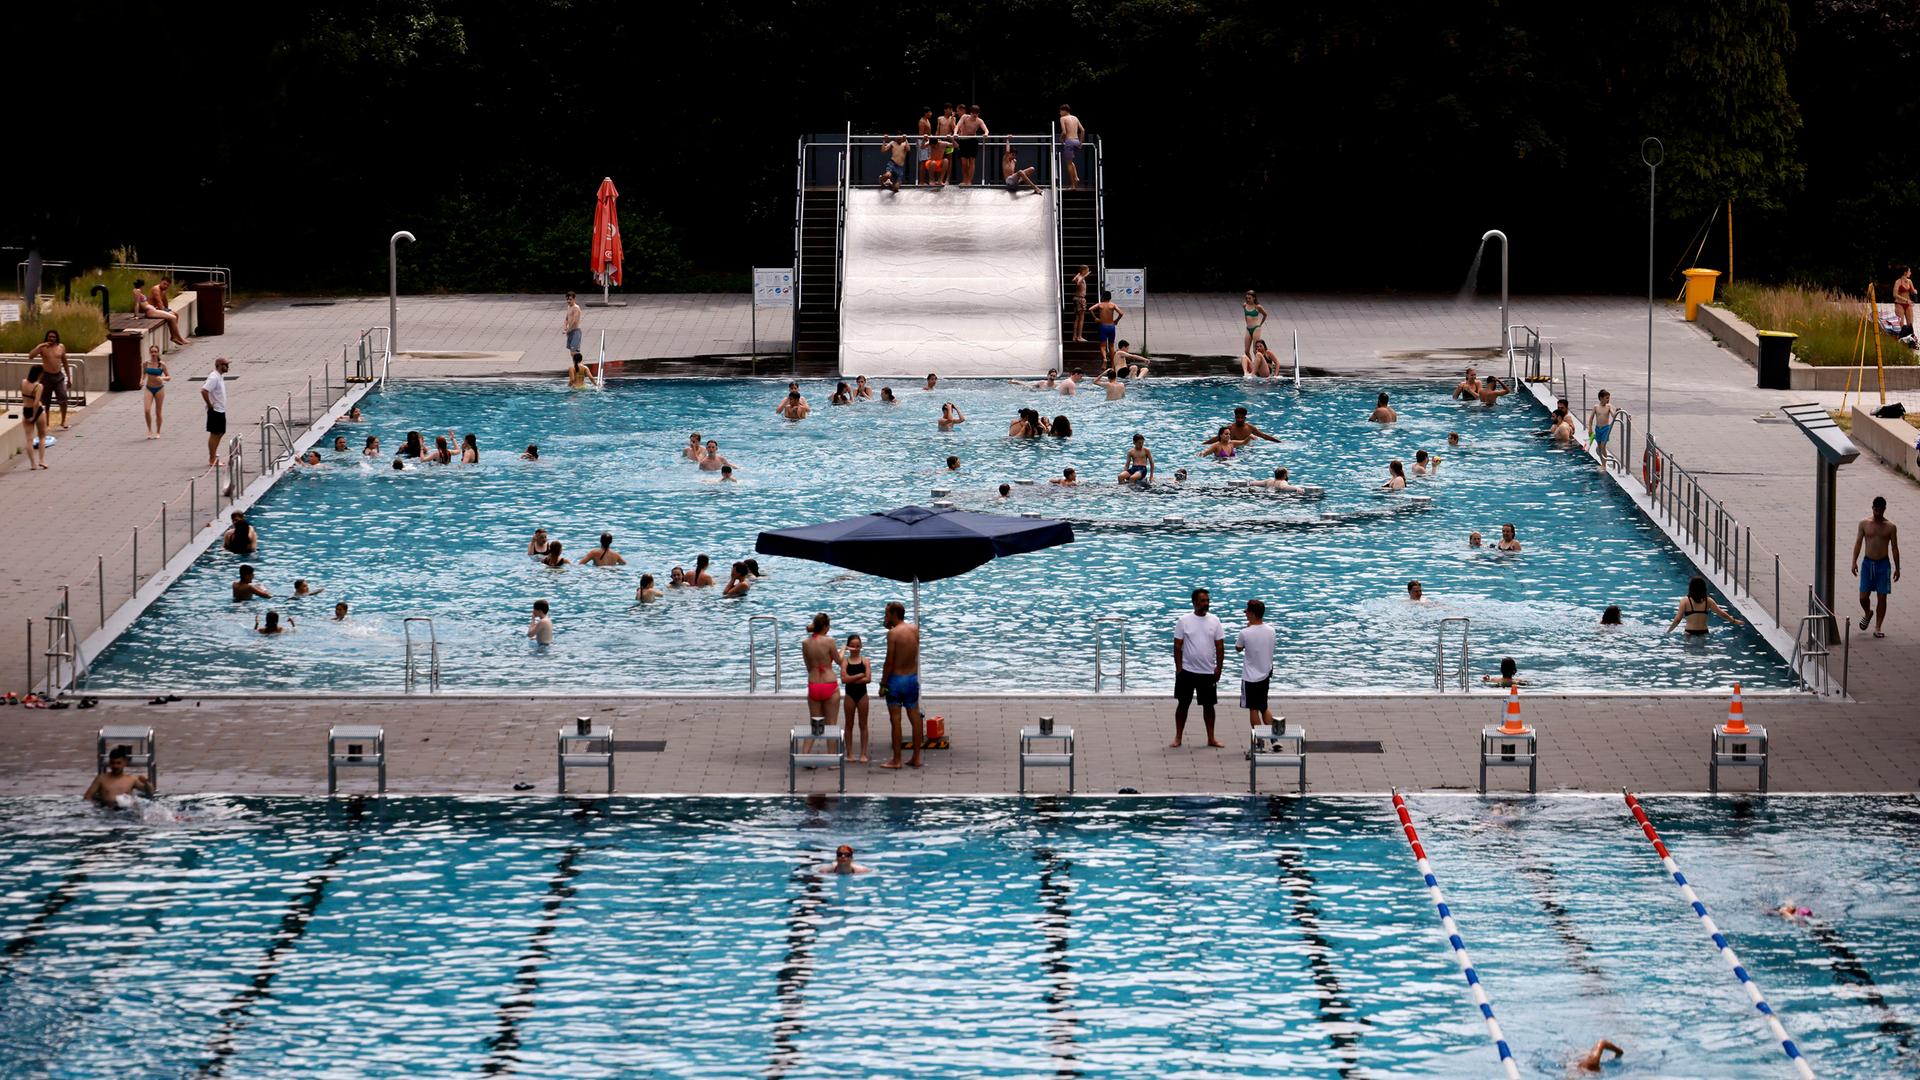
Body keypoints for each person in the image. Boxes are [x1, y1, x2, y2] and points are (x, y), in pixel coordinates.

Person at [1172, 588, 1226, 749]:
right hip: (1187, 671)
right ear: (1194, 602)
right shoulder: (1184, 620)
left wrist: (1219, 668)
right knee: (1183, 704)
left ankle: (1211, 737)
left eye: (1207, 600)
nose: (1206, 603)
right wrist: (1179, 668)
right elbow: (1177, 645)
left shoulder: (1215, 620)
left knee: (1209, 706)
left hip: (1207, 671)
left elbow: (1220, 646)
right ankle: (1178, 736)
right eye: (1203, 601)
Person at [880, 600, 924, 769]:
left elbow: (889, 661)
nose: (885, 616)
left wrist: (883, 683)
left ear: (893, 614)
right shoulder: (914, 629)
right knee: (915, 718)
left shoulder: (893, 634)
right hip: (912, 679)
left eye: (886, 613)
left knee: (896, 720)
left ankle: (897, 760)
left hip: (896, 680)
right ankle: (916, 757)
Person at [1852, 495, 1901, 637]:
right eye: (1875, 510)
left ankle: (1878, 627)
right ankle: (1868, 613)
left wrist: (1898, 568)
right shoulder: (1864, 523)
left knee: (1882, 597)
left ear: (1884, 510)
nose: (1878, 513)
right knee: (1863, 597)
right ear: (1872, 508)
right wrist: (1854, 561)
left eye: (1880, 510)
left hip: (1883, 564)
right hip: (1868, 563)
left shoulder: (1890, 527)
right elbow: (1858, 543)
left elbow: (1894, 548)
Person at [1236, 598, 1277, 732]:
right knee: (1263, 706)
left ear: (1252, 614)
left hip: (1250, 677)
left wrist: (1248, 628)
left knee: (1253, 708)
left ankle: (1259, 741)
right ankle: (1274, 738)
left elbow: (1238, 647)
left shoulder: (1245, 633)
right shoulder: (1271, 631)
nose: (1245, 614)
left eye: (1247, 612)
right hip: (1265, 673)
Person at [801, 612, 841, 730]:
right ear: (825, 627)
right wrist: (843, 649)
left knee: (815, 726)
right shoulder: (829, 641)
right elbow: (839, 661)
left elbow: (808, 666)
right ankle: (832, 749)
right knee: (831, 725)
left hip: (814, 684)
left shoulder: (805, 643)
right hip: (829, 683)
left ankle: (806, 749)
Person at [1665, 576, 1743, 636]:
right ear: (1704, 588)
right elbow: (1721, 613)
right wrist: (1734, 621)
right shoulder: (1708, 601)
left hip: (1689, 632)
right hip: (1703, 632)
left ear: (1691, 588)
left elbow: (1678, 619)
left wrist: (1669, 631)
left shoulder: (1685, 601)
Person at [27, 330, 72, 430]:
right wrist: (39, 346)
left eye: (53, 337)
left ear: (57, 338)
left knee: (63, 398)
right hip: (46, 377)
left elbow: (65, 362)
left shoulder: (61, 347)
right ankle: (46, 424)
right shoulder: (43, 348)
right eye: (50, 337)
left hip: (58, 377)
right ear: (47, 337)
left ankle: (63, 421)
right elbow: (30, 356)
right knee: (46, 402)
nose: (51, 338)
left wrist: (69, 377)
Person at [83, 746, 154, 808]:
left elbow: (150, 792)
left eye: (118, 763)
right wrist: (96, 807)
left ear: (125, 762)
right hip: (107, 811)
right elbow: (87, 796)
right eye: (112, 763)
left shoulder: (132, 779)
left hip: (126, 811)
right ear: (109, 763)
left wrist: (146, 783)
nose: (115, 766)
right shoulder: (101, 779)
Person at [841, 634, 872, 763]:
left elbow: (868, 679)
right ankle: (850, 753)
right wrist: (859, 675)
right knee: (849, 724)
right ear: (848, 647)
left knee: (863, 724)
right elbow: (844, 679)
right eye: (852, 646)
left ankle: (863, 753)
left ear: (861, 646)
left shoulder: (865, 661)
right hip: (849, 695)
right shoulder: (845, 661)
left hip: (862, 695)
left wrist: (852, 679)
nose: (855, 648)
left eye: (858, 646)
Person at [132, 279, 190, 345]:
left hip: (152, 310)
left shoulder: (138, 291)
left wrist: (166, 309)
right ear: (142, 285)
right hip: (150, 311)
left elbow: (164, 302)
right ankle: (179, 338)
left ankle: (175, 337)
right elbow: (136, 304)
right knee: (173, 317)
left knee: (173, 316)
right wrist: (136, 315)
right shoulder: (137, 291)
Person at [202, 356, 231, 468]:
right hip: (215, 410)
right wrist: (210, 405)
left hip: (220, 409)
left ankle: (213, 454)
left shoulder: (219, 376)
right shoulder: (214, 377)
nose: (228, 367)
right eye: (226, 365)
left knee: (220, 432)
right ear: (219, 365)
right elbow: (204, 391)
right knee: (215, 433)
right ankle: (212, 458)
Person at [18, 365, 47, 470]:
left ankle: (33, 464)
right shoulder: (39, 386)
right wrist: (34, 416)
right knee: (42, 437)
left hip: (26, 410)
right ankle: (42, 460)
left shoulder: (23, 382)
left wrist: (29, 416)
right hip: (37, 411)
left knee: (29, 439)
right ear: (39, 374)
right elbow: (36, 403)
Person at [954, 103, 989, 185]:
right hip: (963, 140)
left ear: (978, 113)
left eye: (977, 113)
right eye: (973, 113)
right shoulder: (964, 117)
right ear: (970, 112)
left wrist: (986, 134)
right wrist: (955, 133)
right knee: (964, 162)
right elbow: (957, 126)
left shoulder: (979, 121)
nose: (975, 115)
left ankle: (969, 181)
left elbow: (986, 130)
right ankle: (965, 180)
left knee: (972, 161)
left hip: (972, 141)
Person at [1089, 291, 1124, 367]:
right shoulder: (1113, 305)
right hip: (1111, 327)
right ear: (1110, 298)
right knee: (1111, 346)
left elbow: (1090, 309)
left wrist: (1096, 318)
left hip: (1103, 327)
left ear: (1103, 297)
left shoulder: (1100, 305)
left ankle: (1104, 359)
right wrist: (1116, 320)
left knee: (1103, 346)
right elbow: (1121, 313)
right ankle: (1112, 364)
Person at [1586, 389, 1617, 465]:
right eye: (1607, 398)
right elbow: (1591, 419)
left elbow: (1613, 415)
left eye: (1609, 398)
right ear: (1601, 398)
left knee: (1603, 447)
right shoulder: (1596, 407)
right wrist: (1590, 428)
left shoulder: (1609, 406)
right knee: (1600, 448)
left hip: (1606, 429)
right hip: (1598, 429)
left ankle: (1604, 465)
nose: (1608, 400)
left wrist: (1616, 412)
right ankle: (1602, 462)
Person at [1058, 104, 1085, 188]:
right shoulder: (1075, 118)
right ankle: (1076, 177)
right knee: (1071, 161)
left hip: (1069, 141)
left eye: (1060, 111)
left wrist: (1060, 139)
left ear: (1065, 111)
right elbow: (1083, 130)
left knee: (1068, 163)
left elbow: (1064, 132)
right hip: (1076, 141)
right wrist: (1080, 143)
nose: (1060, 113)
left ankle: (1073, 185)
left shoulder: (1063, 118)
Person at [1241, 291, 1269, 356]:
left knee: (1255, 350)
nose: (1248, 300)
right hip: (1248, 328)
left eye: (1249, 298)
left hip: (1256, 328)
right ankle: (1251, 364)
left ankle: (1260, 364)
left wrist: (1260, 324)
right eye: (1247, 298)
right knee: (1246, 351)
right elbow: (1246, 316)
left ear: (1254, 298)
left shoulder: (1258, 307)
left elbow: (1265, 315)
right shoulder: (1245, 305)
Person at [1071, 265, 1090, 341]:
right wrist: (1084, 276)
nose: (1088, 271)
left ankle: (1075, 336)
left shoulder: (1078, 276)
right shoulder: (1081, 278)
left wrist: (1079, 274)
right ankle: (1079, 337)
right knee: (1081, 319)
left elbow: (1073, 280)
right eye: (1087, 270)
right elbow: (1078, 283)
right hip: (1080, 299)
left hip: (1077, 298)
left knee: (1077, 318)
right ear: (1084, 270)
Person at [1897, 267, 1916, 340]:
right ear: (1905, 272)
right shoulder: (1898, 282)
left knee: (1910, 324)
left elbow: (1912, 291)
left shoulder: (1910, 281)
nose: (1910, 273)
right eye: (1909, 271)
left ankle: (1911, 338)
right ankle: (1901, 338)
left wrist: (1914, 292)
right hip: (1899, 303)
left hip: (1908, 304)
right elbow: (1895, 294)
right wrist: (1905, 300)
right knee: (1901, 324)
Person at [563, 291, 583, 356]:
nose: (568, 301)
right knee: (572, 352)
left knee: (573, 352)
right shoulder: (569, 307)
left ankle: (578, 365)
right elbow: (567, 318)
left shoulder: (576, 308)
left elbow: (575, 321)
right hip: (570, 331)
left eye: (570, 299)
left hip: (576, 331)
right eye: (567, 299)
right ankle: (576, 365)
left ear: (574, 299)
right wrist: (565, 327)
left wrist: (569, 329)